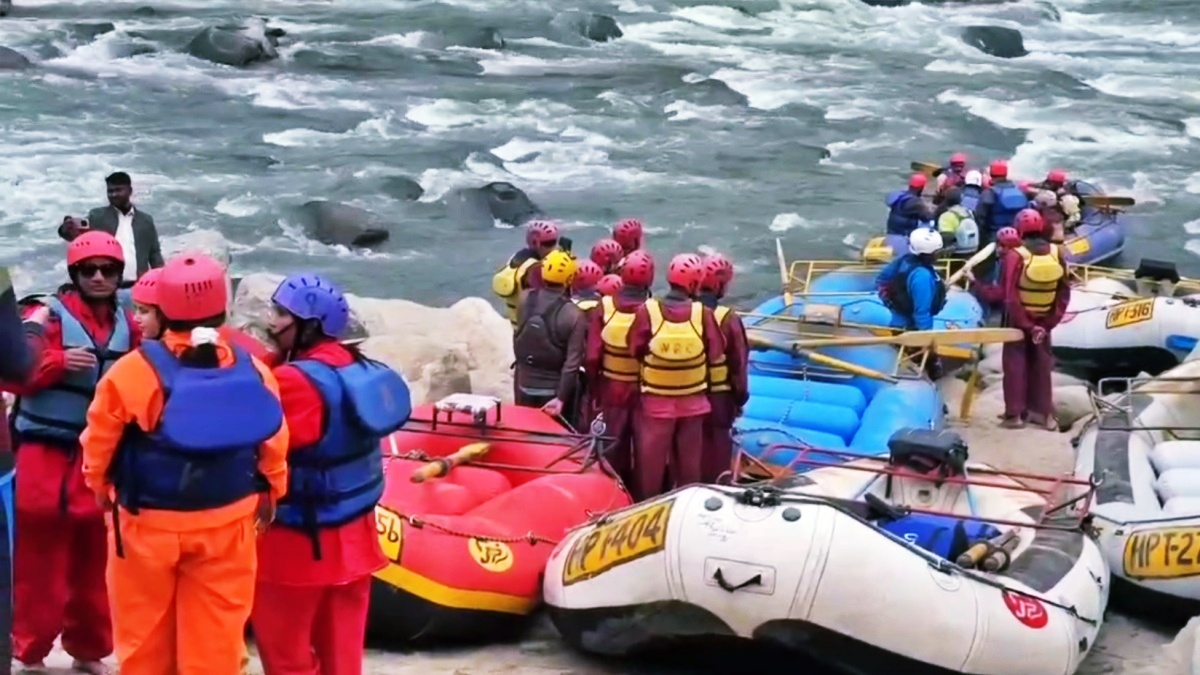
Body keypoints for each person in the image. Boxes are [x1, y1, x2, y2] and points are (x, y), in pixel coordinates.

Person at [80, 252, 289, 675]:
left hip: (146, 524)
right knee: (216, 645)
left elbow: (98, 446)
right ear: (223, 307)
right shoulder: (254, 370)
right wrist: (272, 494)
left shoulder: (131, 373)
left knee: (144, 643)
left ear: (163, 308)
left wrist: (103, 492)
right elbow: (273, 447)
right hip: (229, 523)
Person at [252, 272, 411, 675]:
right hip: (354, 536)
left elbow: (252, 439)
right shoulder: (354, 364)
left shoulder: (292, 381)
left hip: (298, 543)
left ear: (308, 325)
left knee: (286, 653)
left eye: (280, 314)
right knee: (343, 656)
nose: (272, 322)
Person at [4, 232, 137, 674]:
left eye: (109, 270)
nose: (99, 277)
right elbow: (13, 372)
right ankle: (31, 650)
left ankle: (90, 648)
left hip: (101, 457)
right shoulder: (45, 316)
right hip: (45, 454)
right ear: (73, 274)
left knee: (95, 559)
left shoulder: (131, 322)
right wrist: (57, 362)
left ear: (120, 276)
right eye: (88, 270)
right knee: (38, 559)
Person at [627, 253, 725, 500]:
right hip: (693, 404)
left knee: (650, 468)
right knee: (689, 469)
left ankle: (646, 507)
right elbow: (715, 352)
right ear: (694, 284)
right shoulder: (703, 314)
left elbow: (634, 348)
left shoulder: (648, 311)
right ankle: (686, 507)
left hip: (656, 404)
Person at [584, 250, 653, 487]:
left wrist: (595, 390)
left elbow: (592, 356)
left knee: (612, 446)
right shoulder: (655, 310)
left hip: (611, 387)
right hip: (645, 391)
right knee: (646, 449)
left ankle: (611, 489)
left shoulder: (604, 307)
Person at [998, 209, 1071, 430]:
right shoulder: (1057, 253)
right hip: (1045, 321)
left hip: (1020, 323)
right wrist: (1047, 324)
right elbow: (1064, 292)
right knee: (1042, 366)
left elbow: (1010, 297)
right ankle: (1043, 414)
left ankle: (1015, 416)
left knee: (1015, 366)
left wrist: (1028, 326)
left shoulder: (1015, 255)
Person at [130, 267, 275, 361]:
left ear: (167, 312)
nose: (135, 318)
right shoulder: (238, 342)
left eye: (143, 311)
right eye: (135, 309)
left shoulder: (146, 360)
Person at [513, 249, 587, 420]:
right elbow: (572, 363)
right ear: (570, 279)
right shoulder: (573, 314)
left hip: (524, 385)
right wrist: (561, 399)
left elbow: (518, 338)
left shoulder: (524, 299)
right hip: (553, 394)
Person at [695, 254, 748, 484]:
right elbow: (739, 363)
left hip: (686, 393)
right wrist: (740, 398)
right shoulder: (728, 319)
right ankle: (716, 485)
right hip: (718, 397)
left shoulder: (679, 313)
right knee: (717, 450)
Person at [58, 172, 165, 282]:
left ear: (130, 191)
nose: (114, 194)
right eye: (110, 191)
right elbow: (74, 236)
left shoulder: (145, 220)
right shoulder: (97, 216)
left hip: (138, 285)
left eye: (118, 190)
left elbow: (154, 254)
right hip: (106, 286)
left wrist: (161, 280)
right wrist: (66, 229)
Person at [876, 228, 947, 377]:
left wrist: (891, 304)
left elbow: (881, 280)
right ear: (929, 254)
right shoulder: (922, 277)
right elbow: (921, 313)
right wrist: (927, 341)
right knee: (930, 368)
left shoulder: (904, 261)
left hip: (898, 324)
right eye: (937, 252)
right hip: (912, 330)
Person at [492, 220, 560, 328]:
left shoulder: (515, 259)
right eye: (548, 244)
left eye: (554, 242)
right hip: (529, 328)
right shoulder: (536, 269)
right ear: (535, 243)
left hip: (513, 324)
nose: (553, 247)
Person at [976, 160, 1030, 243]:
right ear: (1006, 174)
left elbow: (979, 217)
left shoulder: (989, 193)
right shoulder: (1019, 191)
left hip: (994, 236)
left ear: (991, 173)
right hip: (1017, 236)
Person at [936, 188, 980, 255]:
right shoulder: (968, 212)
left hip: (957, 251)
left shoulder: (947, 215)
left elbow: (946, 237)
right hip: (973, 249)